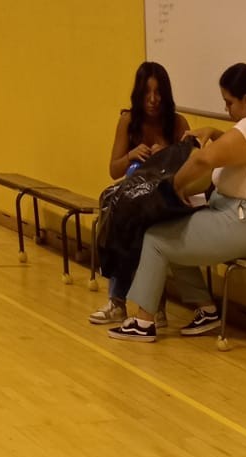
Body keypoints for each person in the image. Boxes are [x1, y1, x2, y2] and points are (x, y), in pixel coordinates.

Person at [108, 61, 246, 343]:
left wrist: (173, 186)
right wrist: (214, 131)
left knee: (157, 239)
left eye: (229, 102)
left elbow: (204, 159)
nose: (227, 110)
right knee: (174, 227)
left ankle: (144, 321)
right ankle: (206, 310)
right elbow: (239, 150)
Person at [90, 62, 190, 328]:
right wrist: (131, 156)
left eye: (158, 93)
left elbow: (188, 166)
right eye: (147, 93)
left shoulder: (178, 123)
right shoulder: (128, 121)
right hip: (134, 199)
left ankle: (153, 304)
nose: (153, 100)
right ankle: (118, 301)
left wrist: (166, 155)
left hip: (165, 200)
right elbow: (114, 169)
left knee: (145, 229)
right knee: (121, 218)